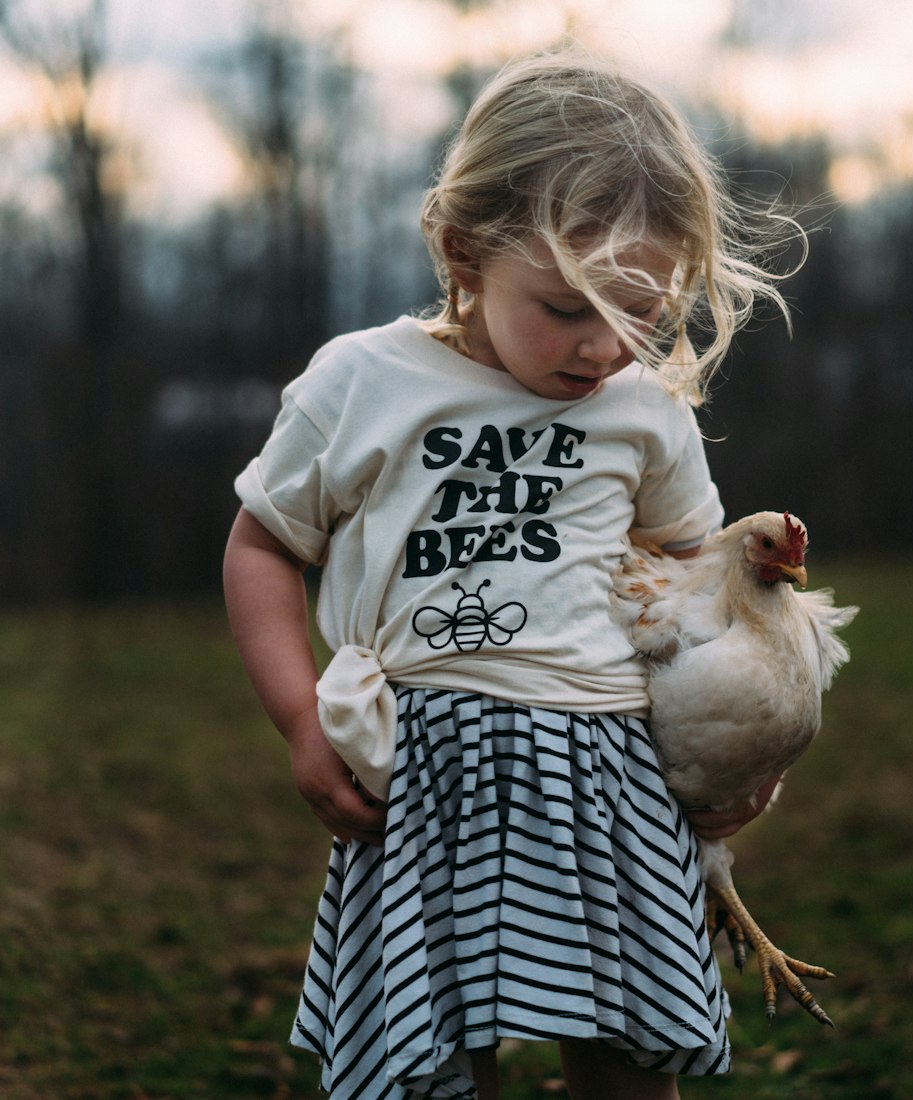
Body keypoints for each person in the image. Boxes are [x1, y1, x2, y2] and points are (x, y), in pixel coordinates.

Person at [223, 48, 800, 1100]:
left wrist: (733, 758)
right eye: (567, 308)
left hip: (612, 771)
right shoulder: (363, 381)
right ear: (460, 249)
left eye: (639, 315)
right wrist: (302, 722)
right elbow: (261, 545)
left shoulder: (644, 412)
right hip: (420, 778)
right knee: (430, 1066)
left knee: (631, 1059)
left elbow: (695, 588)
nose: (602, 348)